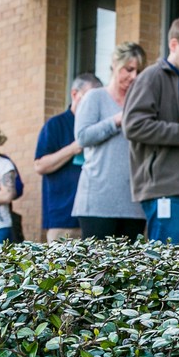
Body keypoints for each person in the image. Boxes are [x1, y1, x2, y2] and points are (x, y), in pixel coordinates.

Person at [125, 18, 179, 246]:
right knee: (164, 266)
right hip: (165, 188)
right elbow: (134, 125)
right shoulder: (152, 76)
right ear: (174, 44)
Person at [73, 42, 148, 239]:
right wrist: (115, 121)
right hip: (98, 202)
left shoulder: (141, 102)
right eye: (129, 69)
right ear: (115, 64)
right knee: (97, 269)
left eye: (138, 71)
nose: (133, 76)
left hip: (134, 203)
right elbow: (82, 137)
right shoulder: (95, 97)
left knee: (129, 269)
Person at [35, 74, 102, 242]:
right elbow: (40, 166)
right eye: (89, 97)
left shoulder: (100, 126)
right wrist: (74, 148)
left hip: (96, 214)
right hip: (62, 216)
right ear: (74, 94)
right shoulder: (55, 125)